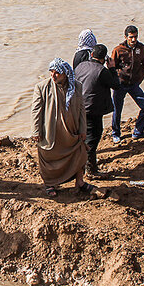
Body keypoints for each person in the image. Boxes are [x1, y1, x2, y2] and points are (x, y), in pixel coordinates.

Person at [31, 58, 95, 198]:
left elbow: (81, 110)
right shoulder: (42, 87)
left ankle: (80, 182)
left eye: (57, 73)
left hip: (72, 131)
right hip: (51, 132)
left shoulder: (76, 86)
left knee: (79, 154)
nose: (53, 76)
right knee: (48, 159)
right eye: (51, 72)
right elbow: (36, 111)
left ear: (66, 74)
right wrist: (36, 130)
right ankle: (50, 184)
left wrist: (83, 130)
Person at [74, 44, 120, 178]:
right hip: (93, 109)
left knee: (82, 136)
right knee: (92, 138)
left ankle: (80, 165)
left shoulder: (80, 66)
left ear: (91, 54)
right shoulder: (102, 70)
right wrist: (112, 68)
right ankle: (91, 170)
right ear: (104, 58)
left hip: (78, 107)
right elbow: (116, 85)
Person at [110, 25, 144, 143]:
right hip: (120, 84)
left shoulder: (141, 48)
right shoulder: (118, 50)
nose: (134, 40)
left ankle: (138, 132)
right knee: (117, 110)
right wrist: (115, 82)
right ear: (126, 37)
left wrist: (139, 79)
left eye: (136, 37)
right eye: (131, 37)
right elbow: (112, 68)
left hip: (134, 84)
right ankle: (116, 133)